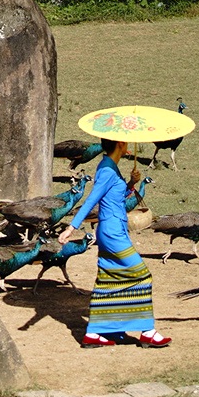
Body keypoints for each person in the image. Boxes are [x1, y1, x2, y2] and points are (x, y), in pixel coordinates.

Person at [59, 137, 169, 348]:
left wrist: (131, 183)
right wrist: (71, 227)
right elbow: (92, 199)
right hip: (112, 233)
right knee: (142, 275)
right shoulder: (108, 170)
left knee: (109, 278)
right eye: (126, 141)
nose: (128, 144)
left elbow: (114, 197)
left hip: (114, 229)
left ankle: (97, 333)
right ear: (120, 144)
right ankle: (147, 331)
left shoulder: (109, 165)